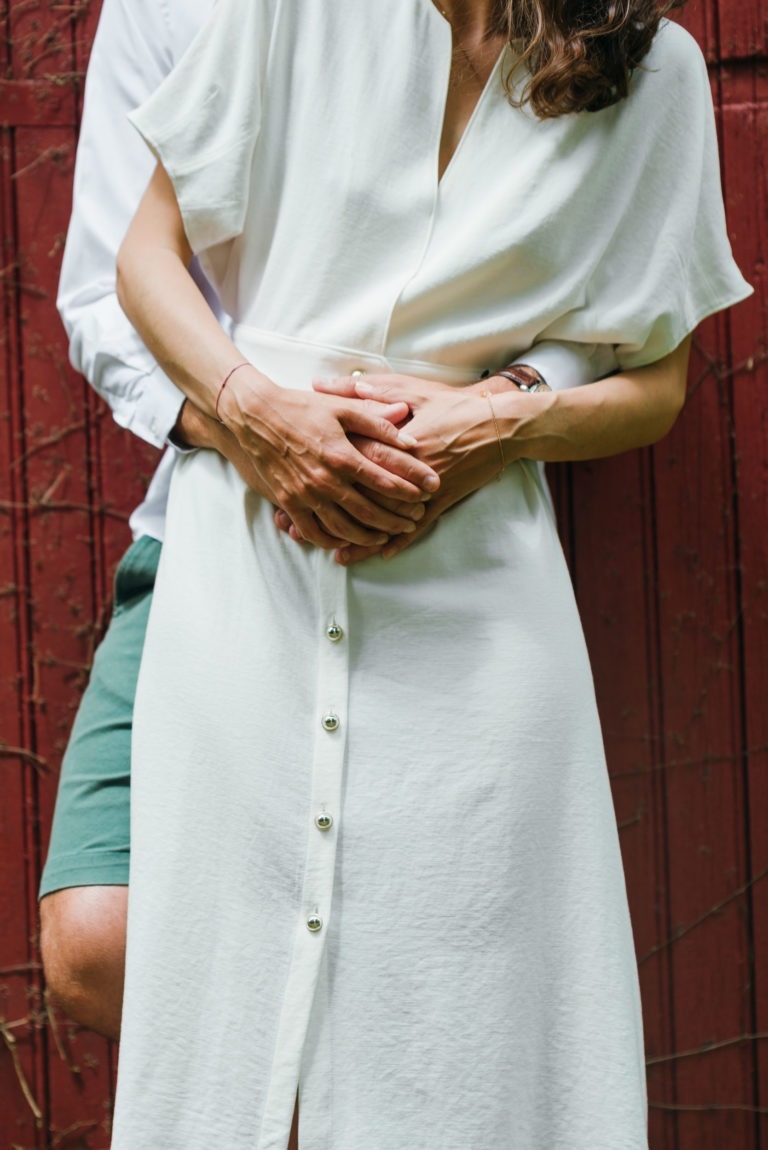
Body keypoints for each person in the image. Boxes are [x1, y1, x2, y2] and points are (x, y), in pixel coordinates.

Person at [111, 0, 756, 1146]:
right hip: (247, 568)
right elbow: (143, 260)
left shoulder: (657, 72)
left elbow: (656, 385)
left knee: (471, 1035)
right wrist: (253, 409)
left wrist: (499, 429)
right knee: (214, 1032)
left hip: (477, 610)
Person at [38, 0, 601, 1048]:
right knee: (103, 938)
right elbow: (108, 290)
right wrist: (258, 426)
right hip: (209, 509)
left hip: (443, 521)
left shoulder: (538, 22)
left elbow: (606, 286)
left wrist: (495, 406)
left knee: (412, 937)